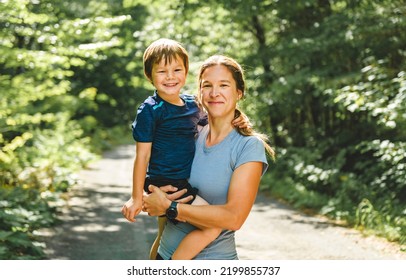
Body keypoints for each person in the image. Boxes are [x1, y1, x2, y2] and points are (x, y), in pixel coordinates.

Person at [121, 39, 248, 260]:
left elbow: (215, 120)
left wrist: (239, 122)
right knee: (213, 226)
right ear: (149, 75)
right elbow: (142, 156)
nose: (170, 77)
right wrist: (136, 197)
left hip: (182, 179)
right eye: (162, 71)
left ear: (186, 71)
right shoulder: (150, 110)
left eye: (177, 70)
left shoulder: (192, 105)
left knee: (164, 235)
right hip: (167, 181)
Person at [142, 54, 275, 260]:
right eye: (207, 85)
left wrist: (170, 207)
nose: (214, 93)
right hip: (163, 255)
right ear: (200, 91)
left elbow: (234, 218)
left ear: (239, 92)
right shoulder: (190, 133)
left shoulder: (248, 146)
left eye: (223, 85)